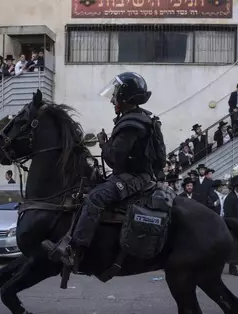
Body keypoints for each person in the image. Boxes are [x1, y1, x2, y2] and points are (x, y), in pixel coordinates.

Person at [46, 72, 164, 275]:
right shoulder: (141, 117)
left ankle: (75, 250)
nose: (113, 99)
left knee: (95, 197)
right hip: (135, 175)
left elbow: (113, 159)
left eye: (116, 94)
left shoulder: (131, 125)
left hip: (134, 178)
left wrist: (103, 143)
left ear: (126, 97)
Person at [223, 176, 238, 276]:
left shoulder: (234, 196)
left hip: (234, 225)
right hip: (232, 226)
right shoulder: (231, 198)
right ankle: (233, 268)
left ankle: (233, 267)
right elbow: (230, 214)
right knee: (233, 248)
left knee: (234, 248)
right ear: (236, 186)